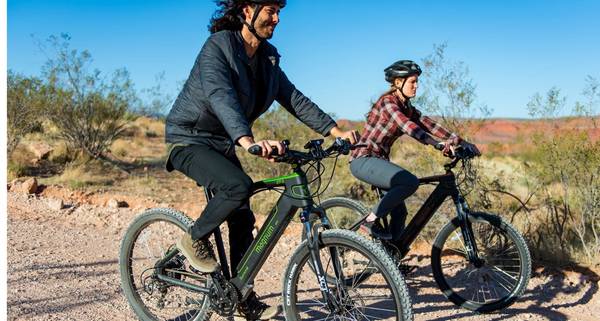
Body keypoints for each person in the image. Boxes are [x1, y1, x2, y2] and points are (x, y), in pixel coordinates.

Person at [164, 0, 358, 319]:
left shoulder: (267, 59)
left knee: (242, 216)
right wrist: (247, 140)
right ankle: (192, 239)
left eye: (279, 12)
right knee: (237, 186)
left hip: (224, 141)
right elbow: (219, 94)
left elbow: (294, 98)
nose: (277, 18)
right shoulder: (219, 46)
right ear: (247, 11)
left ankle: (241, 293)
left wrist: (335, 130)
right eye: (270, 10)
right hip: (190, 138)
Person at [349, 60, 480, 258]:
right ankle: (369, 221)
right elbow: (408, 127)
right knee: (408, 182)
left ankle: (392, 258)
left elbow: (428, 124)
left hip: (379, 161)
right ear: (398, 82)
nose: (417, 86)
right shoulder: (388, 103)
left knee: (400, 212)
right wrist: (436, 144)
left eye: (417, 81)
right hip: (364, 159)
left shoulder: (407, 107)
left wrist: (461, 142)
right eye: (413, 82)